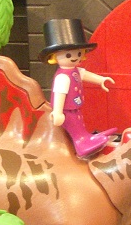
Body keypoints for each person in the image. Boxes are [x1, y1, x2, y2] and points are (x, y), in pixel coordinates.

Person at [42, 18, 116, 157]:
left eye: (79, 53)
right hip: (67, 111)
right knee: (75, 128)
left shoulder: (74, 71)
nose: (75, 57)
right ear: (54, 56)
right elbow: (59, 94)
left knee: (79, 125)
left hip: (75, 109)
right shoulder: (62, 77)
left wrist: (101, 80)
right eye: (68, 54)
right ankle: (82, 144)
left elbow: (84, 74)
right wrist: (57, 112)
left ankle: (86, 137)